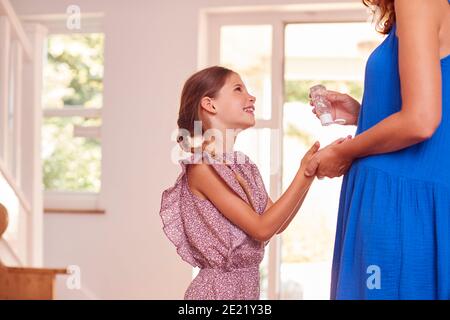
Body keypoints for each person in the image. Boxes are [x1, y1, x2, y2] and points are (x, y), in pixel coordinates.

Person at [160, 66, 349, 299]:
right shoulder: (201, 168)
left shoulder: (244, 165)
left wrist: (309, 173)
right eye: (238, 89)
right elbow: (261, 229)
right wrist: (305, 172)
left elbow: (276, 223)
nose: (251, 96)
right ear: (210, 105)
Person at [305, 0, 450, 299]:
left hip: (401, 208)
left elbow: (421, 121)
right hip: (407, 203)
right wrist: (365, 113)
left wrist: (343, 153)